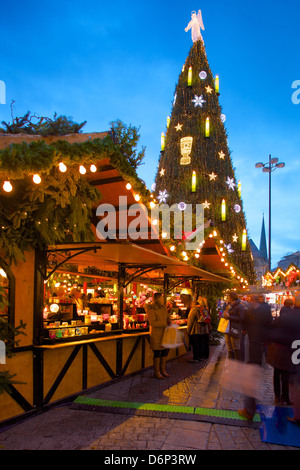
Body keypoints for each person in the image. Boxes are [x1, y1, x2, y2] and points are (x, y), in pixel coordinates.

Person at [238, 294, 273, 420]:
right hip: (259, 347)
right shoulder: (265, 311)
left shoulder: (253, 312)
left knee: (250, 378)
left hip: (254, 348)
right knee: (252, 377)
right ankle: (249, 408)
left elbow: (246, 325)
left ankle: (249, 410)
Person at [267, 300, 297, 405]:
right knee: (285, 374)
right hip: (287, 348)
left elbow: (271, 330)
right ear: (292, 306)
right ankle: (285, 397)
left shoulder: (279, 319)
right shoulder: (294, 319)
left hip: (277, 347)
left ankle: (277, 396)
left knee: (276, 373)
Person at [146, 292, 171, 379]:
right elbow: (152, 322)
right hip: (156, 334)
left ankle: (163, 370)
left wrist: (169, 320)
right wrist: (164, 323)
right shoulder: (151, 309)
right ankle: (157, 372)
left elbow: (166, 317)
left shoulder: (163, 307)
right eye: (161, 298)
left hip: (164, 333)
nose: (163, 299)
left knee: (164, 352)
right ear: (157, 299)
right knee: (157, 353)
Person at [187, 296, 211, 362]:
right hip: (204, 330)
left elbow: (190, 320)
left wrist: (188, 330)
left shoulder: (194, 309)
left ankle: (196, 358)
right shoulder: (205, 309)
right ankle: (202, 356)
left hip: (196, 330)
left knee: (196, 345)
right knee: (201, 344)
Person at [223, 292, 245, 361]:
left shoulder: (240, 306)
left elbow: (241, 318)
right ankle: (231, 362)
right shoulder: (229, 306)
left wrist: (230, 316)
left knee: (236, 347)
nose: (227, 299)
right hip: (227, 328)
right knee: (229, 347)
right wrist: (225, 315)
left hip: (235, 328)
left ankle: (237, 363)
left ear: (232, 298)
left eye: (228, 297)